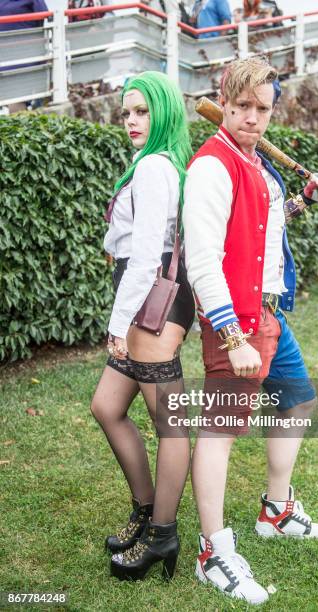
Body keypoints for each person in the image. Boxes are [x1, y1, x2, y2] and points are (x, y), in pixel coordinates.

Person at [182, 57, 318, 604]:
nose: (251, 118)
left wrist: (303, 199)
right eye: (241, 106)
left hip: (268, 316)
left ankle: (276, 509)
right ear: (223, 102)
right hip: (236, 324)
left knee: (297, 401)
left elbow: (263, 225)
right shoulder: (212, 166)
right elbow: (202, 260)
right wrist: (231, 336)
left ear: (272, 112)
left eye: (261, 109)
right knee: (219, 432)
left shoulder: (253, 164)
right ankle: (213, 550)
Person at [90, 71, 195, 582]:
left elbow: (147, 255)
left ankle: (163, 533)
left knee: (170, 424)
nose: (131, 120)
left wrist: (117, 320)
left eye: (142, 111)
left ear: (164, 112)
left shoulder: (155, 166)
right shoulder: (152, 161)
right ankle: (145, 509)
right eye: (127, 112)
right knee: (107, 407)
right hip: (144, 300)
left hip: (153, 303)